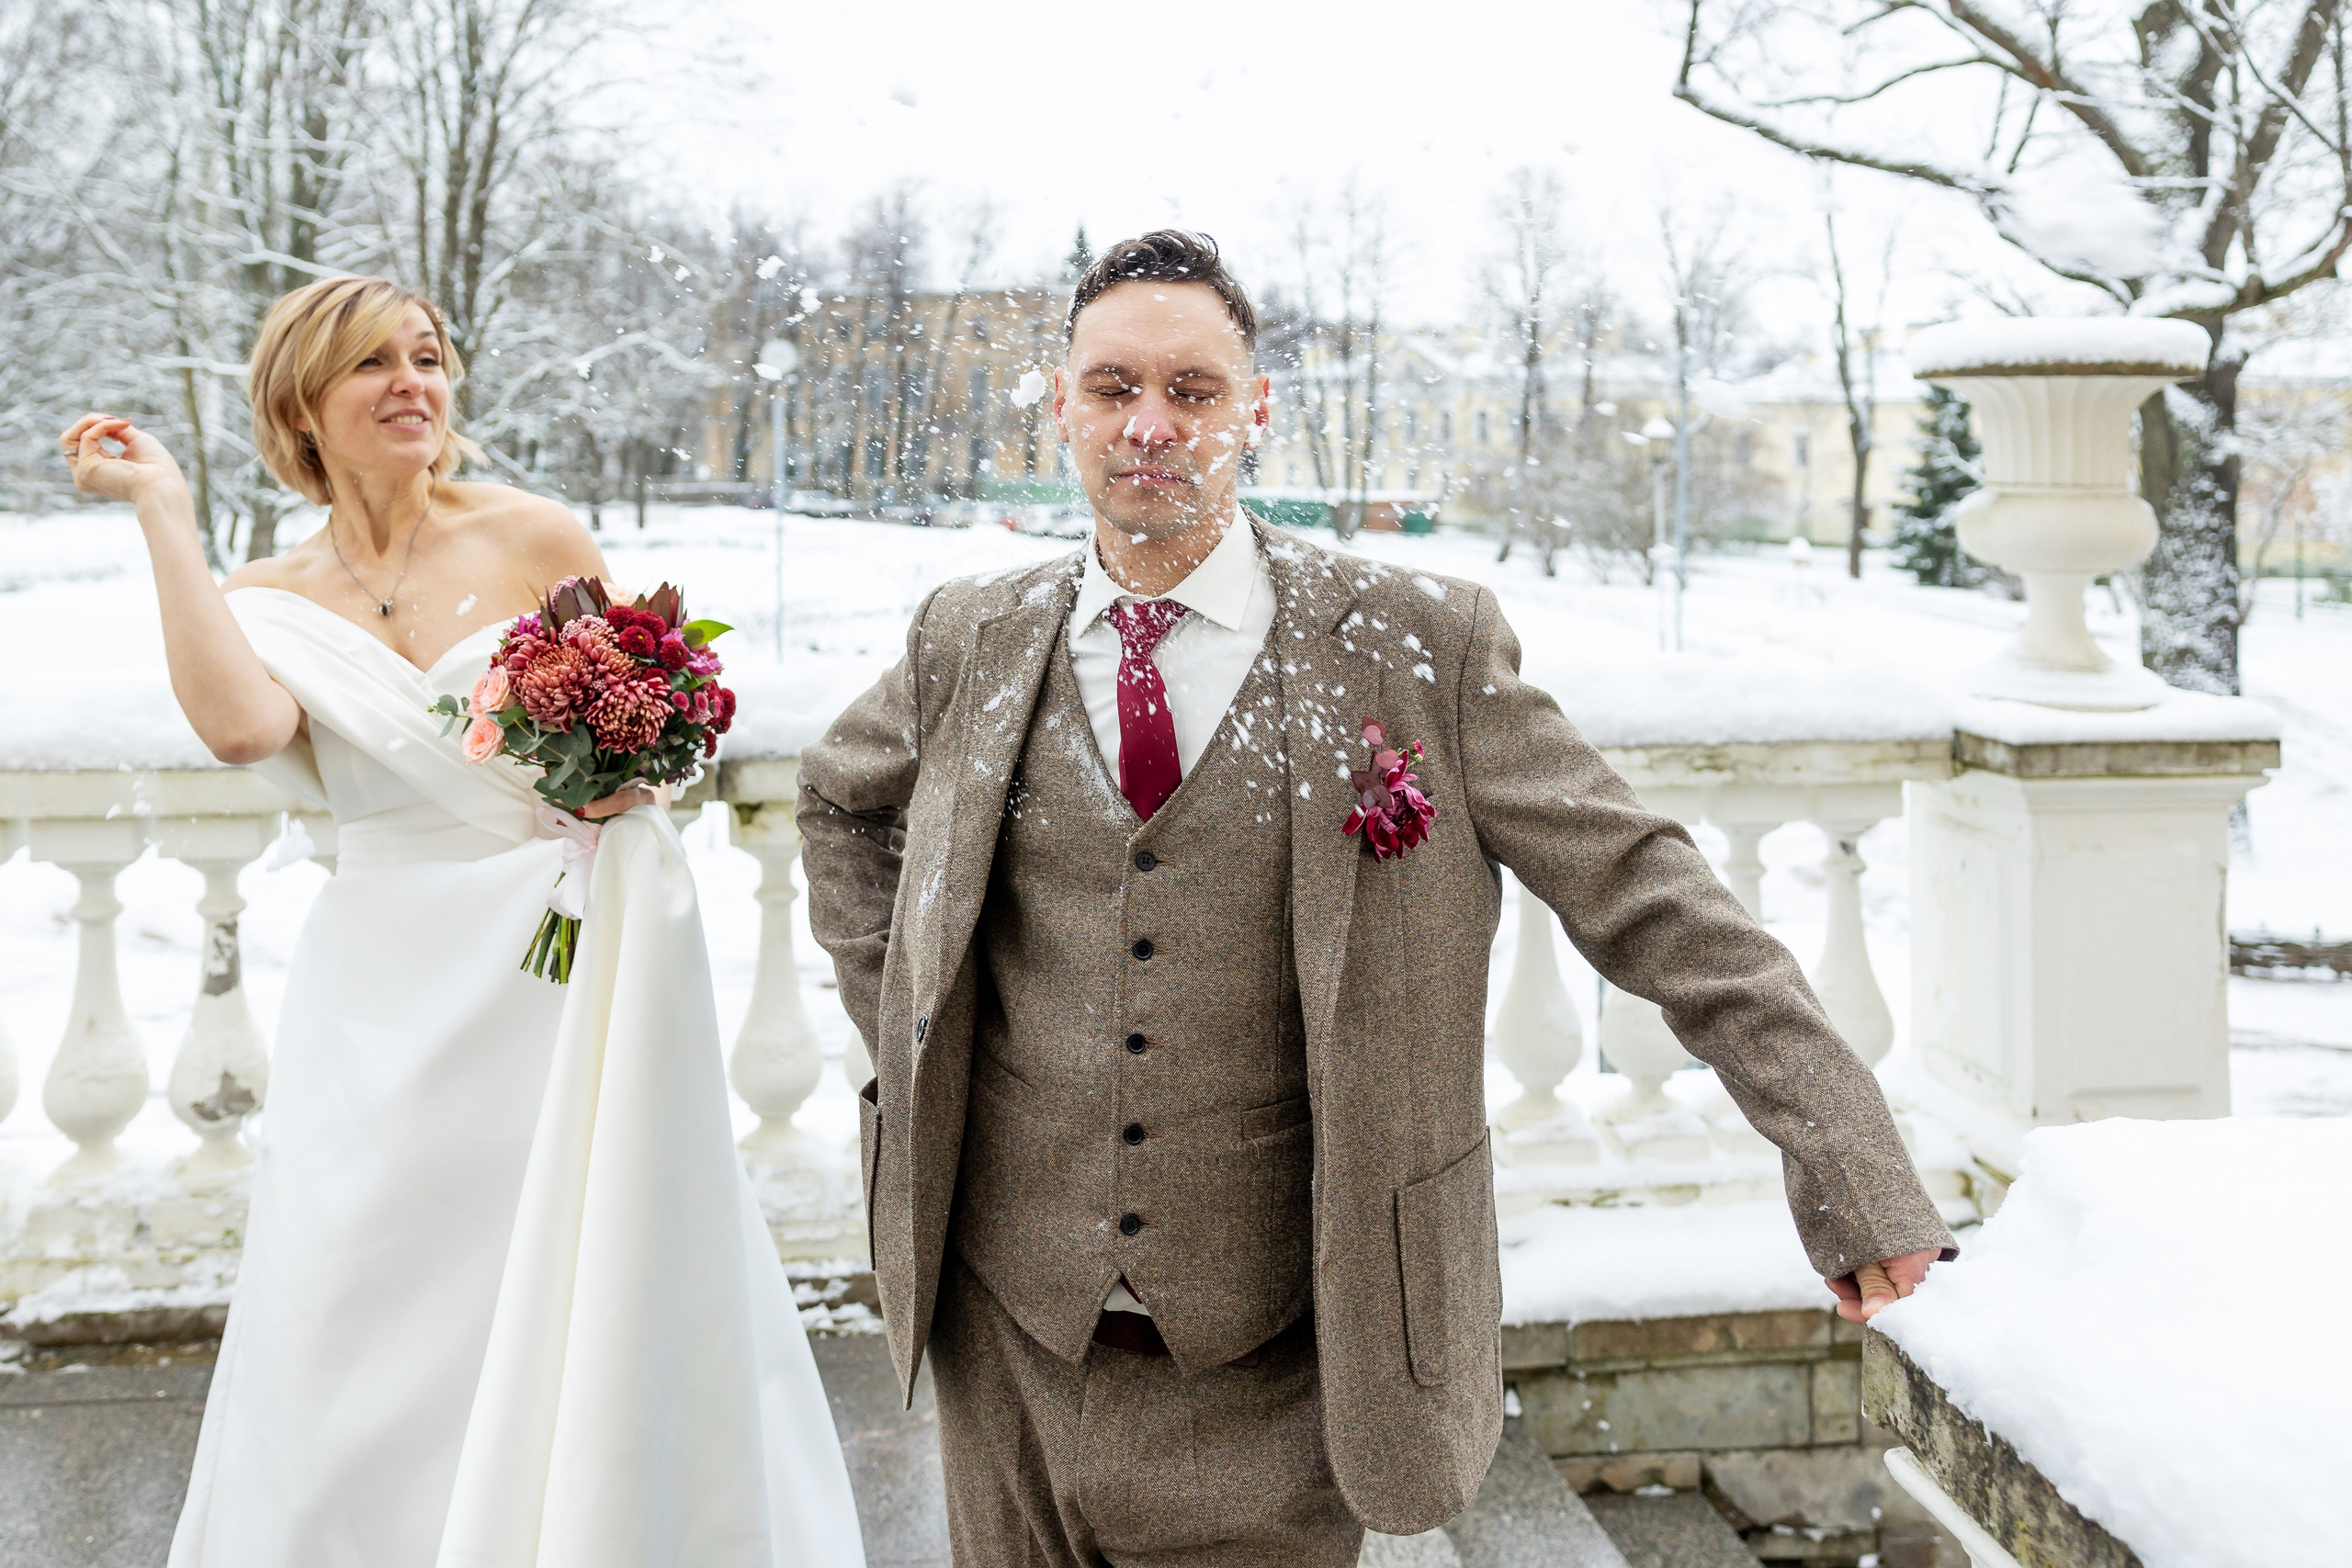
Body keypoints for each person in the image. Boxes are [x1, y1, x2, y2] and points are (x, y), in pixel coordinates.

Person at [797, 231, 1955, 1567]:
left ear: (1258, 411)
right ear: (1059, 404)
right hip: (1006, 1339)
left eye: (1193, 389)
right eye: (1113, 388)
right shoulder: (971, 638)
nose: (1150, 427)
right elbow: (839, 801)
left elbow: (1647, 892)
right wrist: (911, 1025)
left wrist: (1845, 1154)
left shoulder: (1422, 649)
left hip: (1293, 1366)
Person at [60, 276, 864, 1568]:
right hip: (381, 985)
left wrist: (624, 772)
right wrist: (166, 514)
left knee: (568, 1273)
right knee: (355, 1286)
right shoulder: (269, 591)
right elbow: (241, 729)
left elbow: (648, 738)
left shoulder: (531, 537)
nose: (411, 385)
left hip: (560, 965)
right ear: (303, 405)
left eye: (426, 358)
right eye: (372, 364)